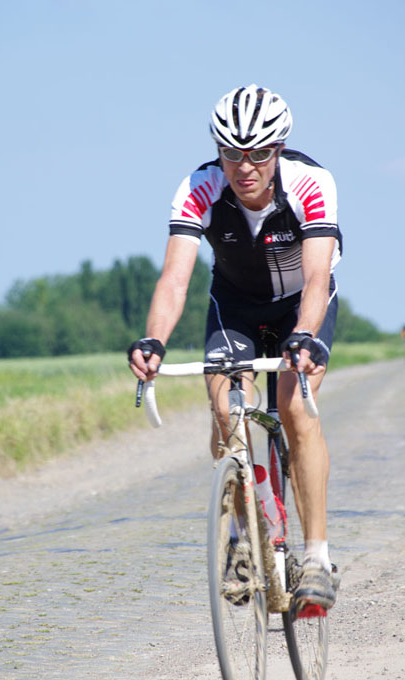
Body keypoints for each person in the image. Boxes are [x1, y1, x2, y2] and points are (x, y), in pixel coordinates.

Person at [128, 84, 342, 611]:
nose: (245, 166)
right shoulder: (198, 187)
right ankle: (244, 540)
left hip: (300, 308)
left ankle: (317, 557)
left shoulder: (310, 183)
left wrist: (304, 334)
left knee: (295, 408)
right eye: (231, 153)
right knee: (226, 410)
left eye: (259, 154)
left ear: (279, 149)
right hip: (236, 307)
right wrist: (154, 339)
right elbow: (175, 279)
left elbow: (318, 277)